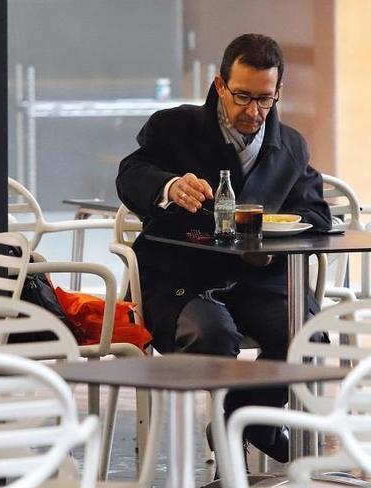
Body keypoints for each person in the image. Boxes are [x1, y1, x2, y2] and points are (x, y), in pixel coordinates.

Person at [116, 33, 332, 463]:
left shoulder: (290, 146)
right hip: (180, 275)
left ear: (279, 93)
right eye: (242, 96)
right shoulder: (173, 127)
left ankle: (248, 419)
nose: (253, 111)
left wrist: (274, 239)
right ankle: (242, 432)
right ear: (219, 86)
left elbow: (317, 218)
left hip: (258, 277)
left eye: (265, 100)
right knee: (212, 334)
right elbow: (130, 174)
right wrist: (170, 186)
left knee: (308, 336)